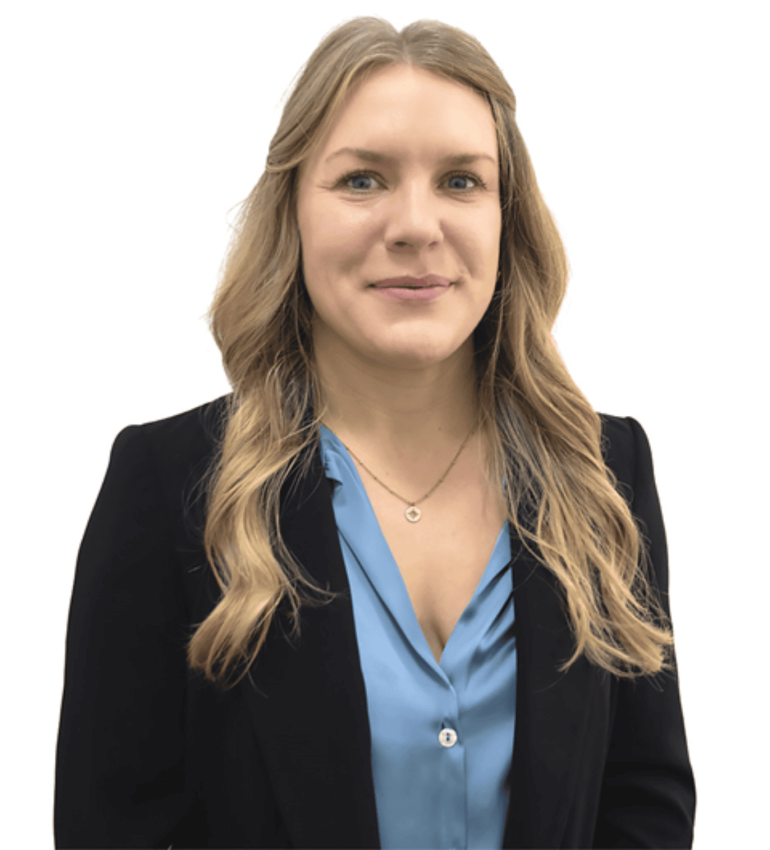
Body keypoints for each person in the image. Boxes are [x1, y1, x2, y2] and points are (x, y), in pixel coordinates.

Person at [54, 16, 696, 850]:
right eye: (362, 181)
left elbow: (646, 801)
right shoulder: (169, 487)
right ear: (293, 212)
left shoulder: (606, 475)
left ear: (508, 216)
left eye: (462, 181)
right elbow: (111, 828)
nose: (416, 225)